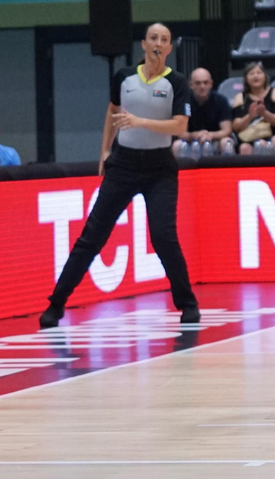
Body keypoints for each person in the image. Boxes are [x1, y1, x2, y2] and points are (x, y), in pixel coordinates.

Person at [40, 24, 198, 328]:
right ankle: (56, 304)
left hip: (159, 169)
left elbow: (180, 127)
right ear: (143, 44)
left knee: (164, 237)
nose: (158, 43)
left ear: (169, 49)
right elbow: (112, 111)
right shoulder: (124, 77)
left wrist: (140, 121)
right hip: (123, 165)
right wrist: (104, 151)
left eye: (164, 40)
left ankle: (188, 304)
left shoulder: (177, 82)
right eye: (153, 38)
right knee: (92, 236)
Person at [173, 67, 234, 160]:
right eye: (198, 83)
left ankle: (228, 174)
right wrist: (197, 135)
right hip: (190, 141)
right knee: (177, 145)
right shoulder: (183, 102)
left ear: (211, 84)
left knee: (227, 143)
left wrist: (210, 135)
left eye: (205, 83)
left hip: (216, 140)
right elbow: (181, 132)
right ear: (191, 85)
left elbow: (227, 130)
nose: (202, 86)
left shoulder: (221, 100)